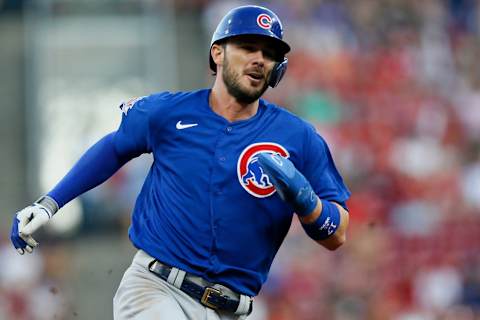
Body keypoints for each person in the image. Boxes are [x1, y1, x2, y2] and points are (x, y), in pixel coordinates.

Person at [10, 5, 351, 320]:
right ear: (217, 52)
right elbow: (115, 148)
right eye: (248, 47)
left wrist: (309, 205)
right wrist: (50, 203)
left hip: (238, 308)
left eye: (270, 53)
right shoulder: (169, 112)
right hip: (157, 288)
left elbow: (337, 234)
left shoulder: (298, 137)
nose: (259, 59)